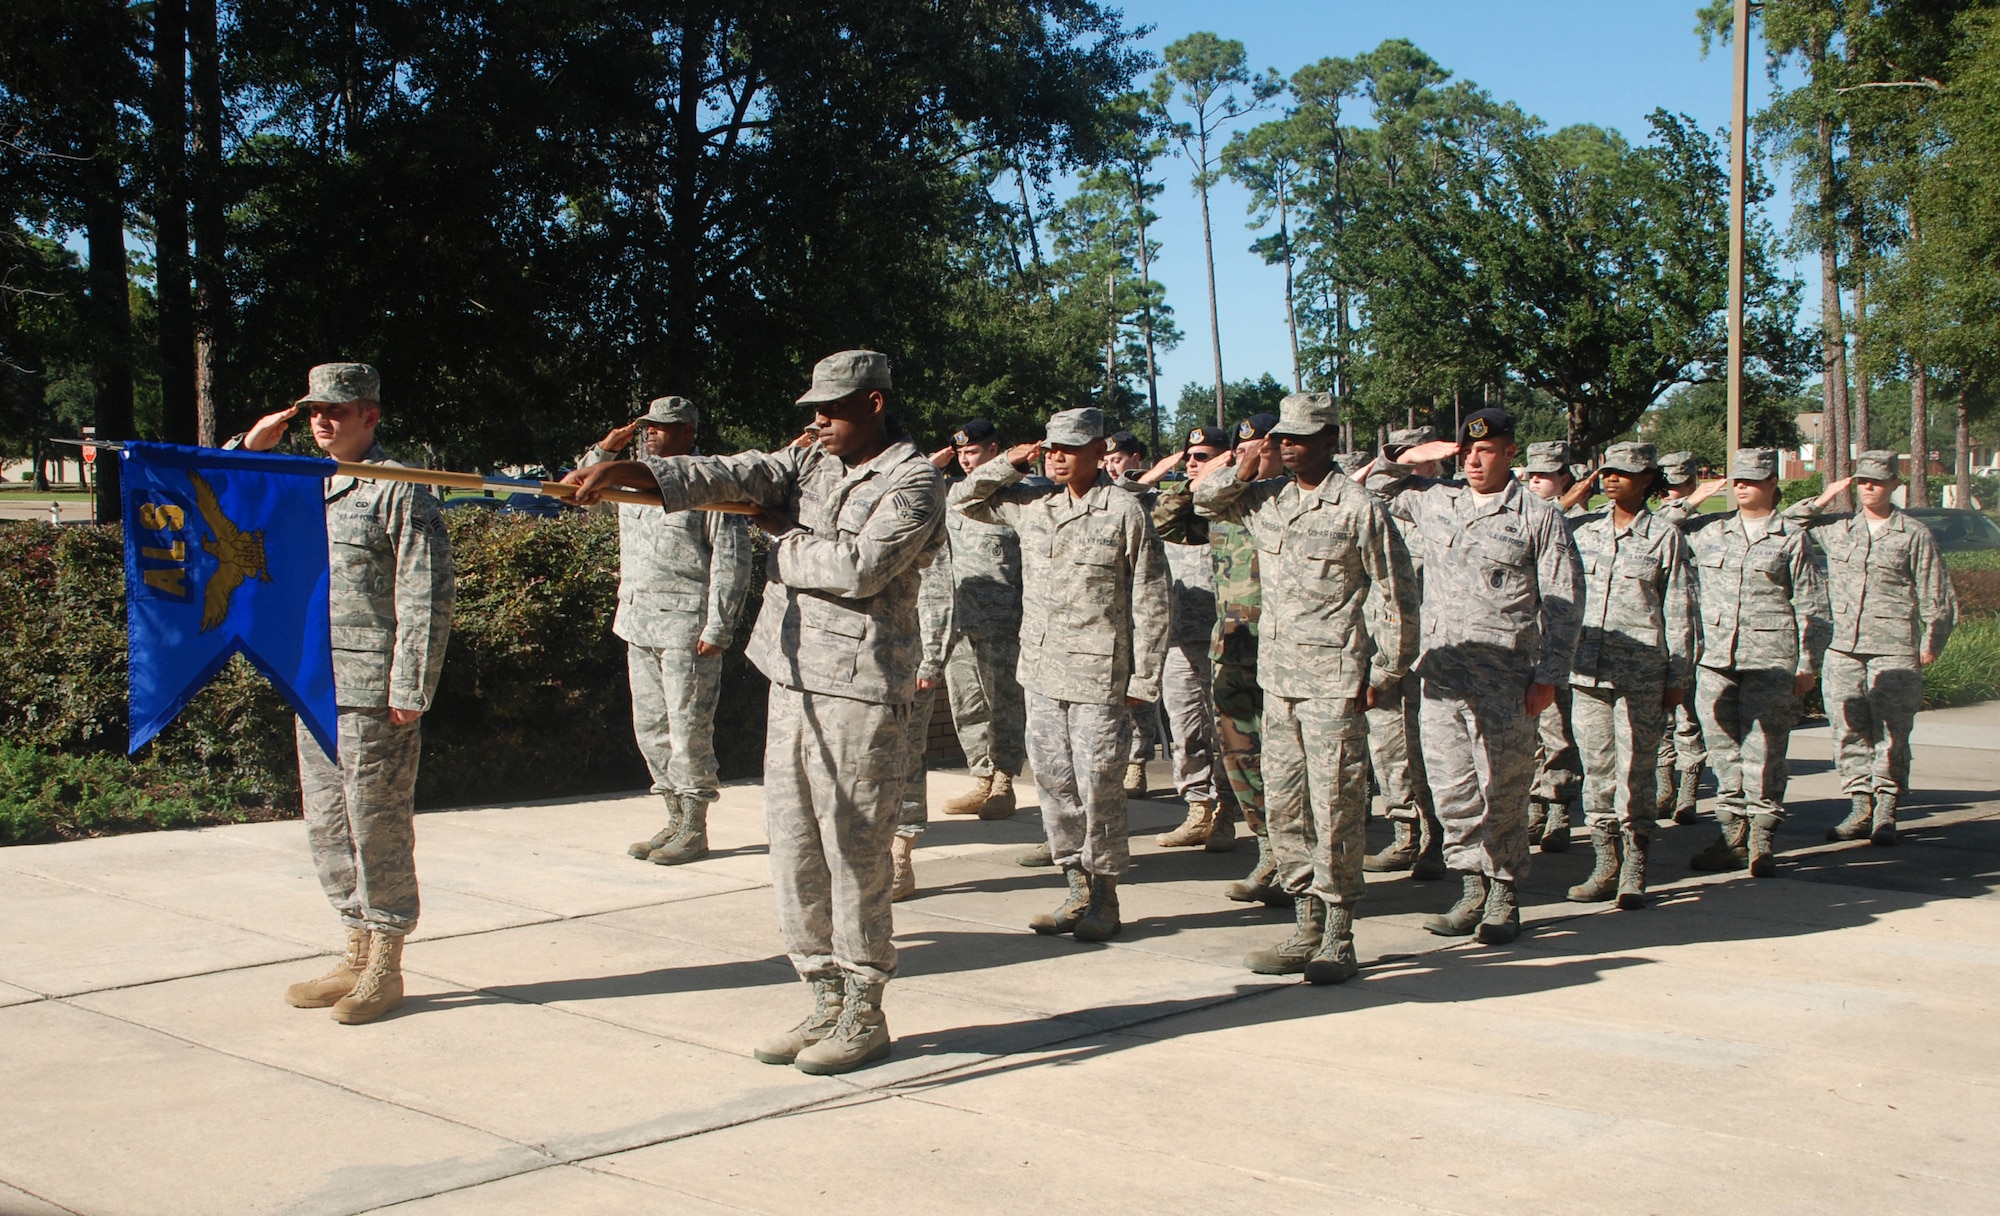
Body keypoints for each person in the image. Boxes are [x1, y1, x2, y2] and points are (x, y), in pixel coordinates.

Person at [568, 349, 946, 1076]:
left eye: (832, 408)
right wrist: (633, 474)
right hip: (793, 676)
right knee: (794, 844)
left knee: (853, 851)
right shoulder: (809, 462)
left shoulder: (913, 480)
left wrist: (781, 537)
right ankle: (821, 994)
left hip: (863, 691)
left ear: (873, 404)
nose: (817, 420)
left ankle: (865, 1010)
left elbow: (862, 569)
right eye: (812, 409)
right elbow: (734, 474)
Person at [236, 363, 454, 1026]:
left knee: (375, 822)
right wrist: (251, 448)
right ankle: (353, 948)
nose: (324, 421)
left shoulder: (401, 488)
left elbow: (425, 596)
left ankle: (385, 961)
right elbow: (216, 495)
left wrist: (410, 686)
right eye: (314, 412)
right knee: (328, 822)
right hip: (314, 680)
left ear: (371, 417)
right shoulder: (304, 484)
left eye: (339, 410)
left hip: (372, 687)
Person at [1195, 393, 1415, 983]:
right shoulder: (1267, 502)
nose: (1286, 446)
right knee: (1287, 808)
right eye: (1280, 437)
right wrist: (1243, 464)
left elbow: (1395, 595)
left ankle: (1339, 933)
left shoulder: (1358, 507)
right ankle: (1304, 923)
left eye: (1299, 437)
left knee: (1336, 808)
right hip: (1279, 681)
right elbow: (1202, 499)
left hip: (1335, 683)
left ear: (1327, 440)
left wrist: (1386, 673)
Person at [954, 407, 1170, 943]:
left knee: (1100, 788)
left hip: (1100, 676)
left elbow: (1150, 597)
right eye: (1050, 447)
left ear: (1099, 452)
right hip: (1042, 672)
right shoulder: (1031, 503)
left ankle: (1106, 896)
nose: (1055, 456)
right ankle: (1074, 886)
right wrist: (1008, 461)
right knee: (1053, 786)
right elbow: (962, 499)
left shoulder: (1124, 511)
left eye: (1069, 449)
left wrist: (1144, 679)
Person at [1368, 410, 1583, 944]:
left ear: (1511, 453)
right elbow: (1374, 490)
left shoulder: (1537, 515)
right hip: (1441, 677)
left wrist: (1549, 676)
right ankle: (1470, 889)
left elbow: (1563, 602)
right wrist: (1403, 457)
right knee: (1453, 790)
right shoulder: (1437, 500)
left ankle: (1505, 894)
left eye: (1486, 451)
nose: (1473, 459)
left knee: (1504, 789)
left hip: (1506, 680)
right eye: (1466, 450)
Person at [580, 397, 753, 866]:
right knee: (651, 729)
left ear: (688, 431)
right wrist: (604, 451)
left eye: (664, 427)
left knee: (687, 730)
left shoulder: (708, 482)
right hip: (638, 622)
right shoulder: (630, 476)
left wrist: (719, 625)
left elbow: (731, 559)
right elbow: (575, 489)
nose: (651, 433)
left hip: (686, 626)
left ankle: (694, 826)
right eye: (647, 427)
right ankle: (673, 817)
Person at [1790, 453, 1957, 845]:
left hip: (1894, 648)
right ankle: (1860, 803)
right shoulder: (1838, 528)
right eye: (1863, 481)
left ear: (1894, 485)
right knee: (1847, 730)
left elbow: (1938, 595)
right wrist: (1824, 497)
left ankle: (1886, 807)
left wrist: (1931, 644)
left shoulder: (1913, 534)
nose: (1869, 488)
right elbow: (1790, 523)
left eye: (1877, 482)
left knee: (1892, 733)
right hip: (1843, 647)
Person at [1559, 443, 1698, 912]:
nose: (1612, 479)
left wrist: (1679, 675)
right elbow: (1538, 529)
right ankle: (1604, 863)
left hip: (1642, 674)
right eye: (1608, 472)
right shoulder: (1584, 529)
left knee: (1636, 770)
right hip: (1587, 670)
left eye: (1625, 473)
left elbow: (1679, 609)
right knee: (1596, 771)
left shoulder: (1664, 536)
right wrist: (1572, 496)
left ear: (1647, 481)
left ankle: (1635, 867)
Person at [1682, 449, 1831, 876]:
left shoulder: (1791, 538)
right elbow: (1660, 527)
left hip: (1771, 660)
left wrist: (1808, 664)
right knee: (1724, 751)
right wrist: (1693, 499)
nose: (1742, 486)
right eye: (1737, 479)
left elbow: (1814, 606)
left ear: (1771, 485)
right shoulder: (1710, 532)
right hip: (1716, 659)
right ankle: (1731, 835)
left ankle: (1762, 838)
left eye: (1752, 479)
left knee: (1764, 751)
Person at [1136, 427, 1235, 850]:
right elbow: (1127, 497)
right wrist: (1169, 474)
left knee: (1229, 732)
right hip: (1179, 639)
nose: (1194, 463)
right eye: (1190, 456)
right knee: (1186, 728)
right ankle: (1197, 808)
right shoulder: (1173, 505)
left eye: (1204, 455)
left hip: (1227, 640)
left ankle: (1228, 812)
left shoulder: (1237, 505)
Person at [931, 419, 1028, 822]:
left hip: (1003, 623)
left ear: (994, 451)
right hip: (959, 621)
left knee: (1003, 703)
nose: (967, 461)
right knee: (967, 704)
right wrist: (933, 464)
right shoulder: (953, 494)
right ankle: (982, 777)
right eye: (961, 455)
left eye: (974, 452)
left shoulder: (1019, 499)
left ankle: (1004, 781)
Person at [1360, 425, 1445, 880]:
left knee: (1433, 748)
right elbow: (1377, 480)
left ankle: (1439, 837)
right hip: (1383, 644)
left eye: (1418, 455)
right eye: (1401, 456)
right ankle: (1405, 832)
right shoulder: (1380, 500)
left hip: (1434, 646)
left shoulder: (1447, 499)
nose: (1411, 464)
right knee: (1389, 744)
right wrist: (1395, 461)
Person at [1519, 440, 1583, 855]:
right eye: (1531, 475)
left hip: (1560, 648)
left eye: (1545, 475)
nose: (1535, 482)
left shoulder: (1586, 522)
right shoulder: (1519, 518)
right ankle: (1532, 808)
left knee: (1559, 733)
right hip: (1523, 645)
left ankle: (1557, 809)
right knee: (1528, 737)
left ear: (1565, 479)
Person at [1651, 450, 1717, 824]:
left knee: (1690, 717)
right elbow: (1669, 520)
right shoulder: (1660, 521)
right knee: (1661, 719)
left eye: (1681, 488)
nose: (1673, 495)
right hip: (1660, 631)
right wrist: (1690, 503)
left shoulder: (1714, 526)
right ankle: (1664, 788)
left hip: (1699, 632)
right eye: (1666, 490)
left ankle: (1688, 792)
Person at [894, 523, 957, 901]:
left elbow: (939, 593)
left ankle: (900, 856)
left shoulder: (917, 516)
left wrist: (931, 660)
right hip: (852, 660)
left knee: (906, 759)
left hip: (907, 661)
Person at [1104, 429, 1163, 795]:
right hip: (1113, 611)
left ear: (1136, 460)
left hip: (1142, 610)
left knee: (1139, 694)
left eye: (1119, 460)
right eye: (1107, 461)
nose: (1112, 467)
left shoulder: (1151, 499)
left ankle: (1138, 762)